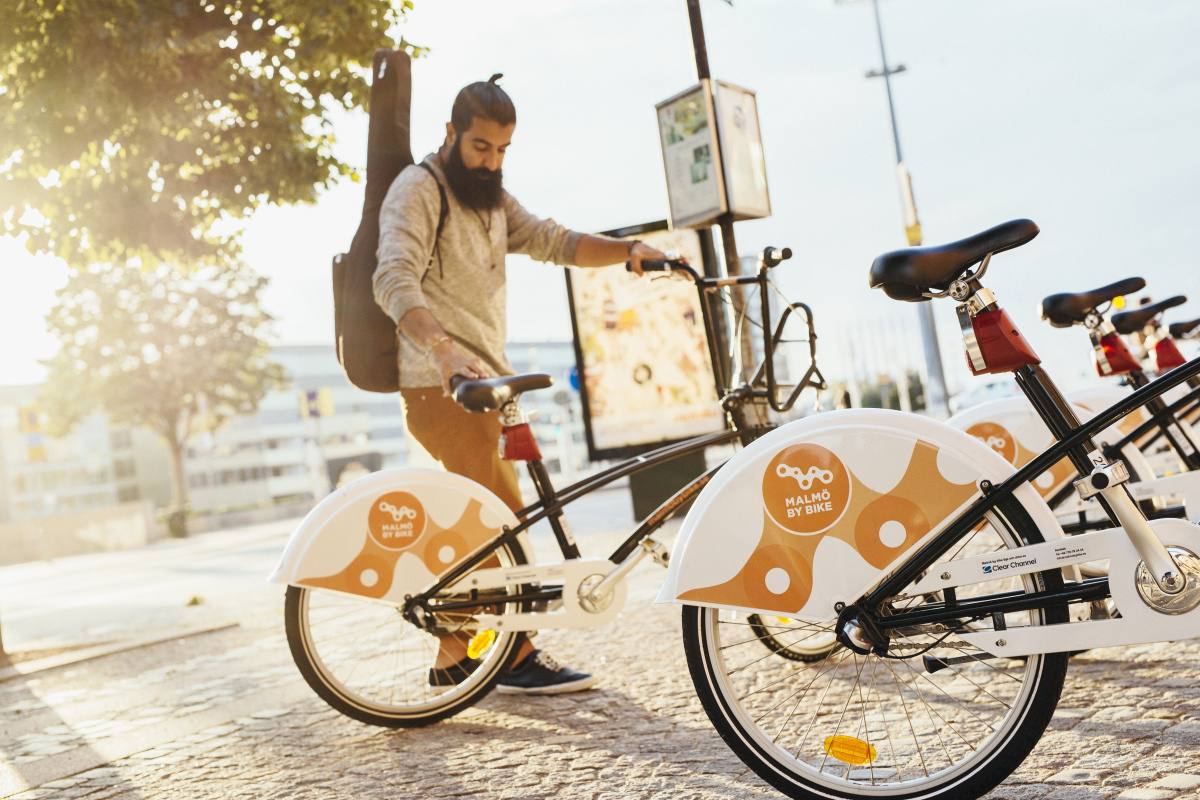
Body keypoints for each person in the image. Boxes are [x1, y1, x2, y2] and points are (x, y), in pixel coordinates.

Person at [373, 75, 671, 695]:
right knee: (498, 524)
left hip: (484, 384)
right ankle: (512, 654)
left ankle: (458, 652)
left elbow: (554, 241)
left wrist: (629, 251)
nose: (492, 161)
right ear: (451, 133)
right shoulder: (419, 189)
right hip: (442, 387)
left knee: (489, 522)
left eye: (503, 150)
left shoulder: (489, 200)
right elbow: (393, 279)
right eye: (481, 147)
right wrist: (444, 350)